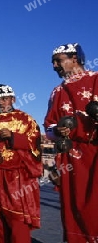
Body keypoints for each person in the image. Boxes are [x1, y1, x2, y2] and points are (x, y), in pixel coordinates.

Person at [43, 43, 98, 242]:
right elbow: (48, 128)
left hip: (95, 153)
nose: (54, 66)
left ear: (74, 59)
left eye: (58, 61)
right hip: (71, 158)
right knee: (74, 210)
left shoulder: (96, 79)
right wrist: (57, 131)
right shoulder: (57, 92)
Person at [0, 84, 42, 243]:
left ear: (13, 99)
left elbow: (36, 142)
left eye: (4, 99)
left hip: (17, 177)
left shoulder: (24, 119)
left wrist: (13, 137)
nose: (1, 102)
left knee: (17, 219)